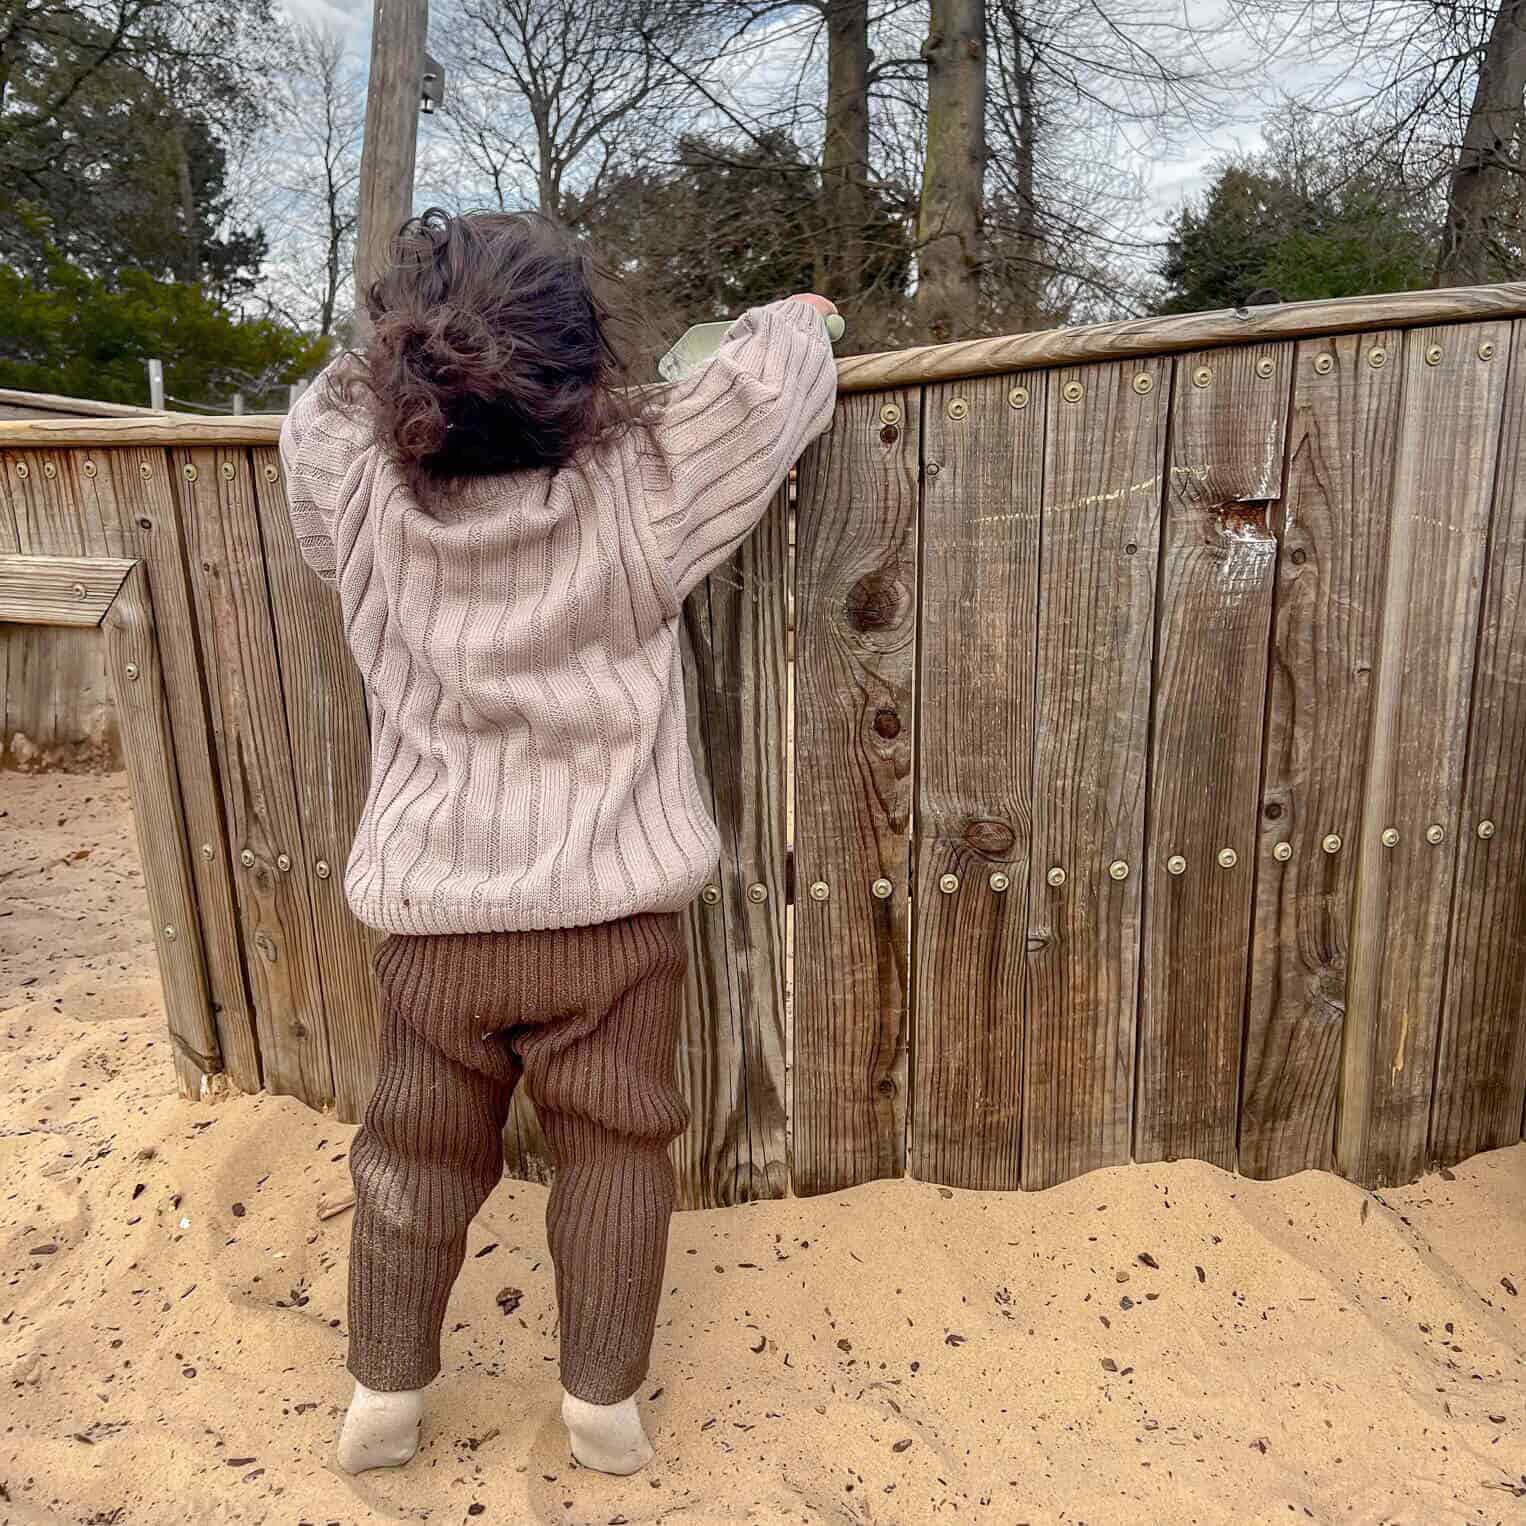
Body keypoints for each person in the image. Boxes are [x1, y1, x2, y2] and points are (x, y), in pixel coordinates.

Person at [277, 207, 837, 1478]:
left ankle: (383, 1391)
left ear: (405, 364)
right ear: (587, 365)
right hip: (609, 929)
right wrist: (790, 320)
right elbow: (765, 393)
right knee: (614, 1155)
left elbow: (316, 414)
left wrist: (388, 367)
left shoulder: (358, 493)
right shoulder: (640, 484)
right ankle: (601, 1403)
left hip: (435, 928)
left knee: (412, 1155)